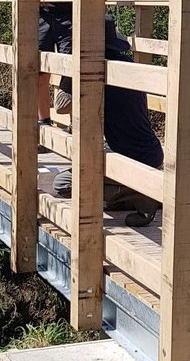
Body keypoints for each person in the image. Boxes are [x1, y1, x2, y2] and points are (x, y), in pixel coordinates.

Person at [51, 18, 164, 227]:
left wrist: (71, 69)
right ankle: (143, 190)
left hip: (128, 161)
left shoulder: (93, 69)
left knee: (63, 184)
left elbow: (61, 106)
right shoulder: (125, 64)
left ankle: (144, 194)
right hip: (150, 156)